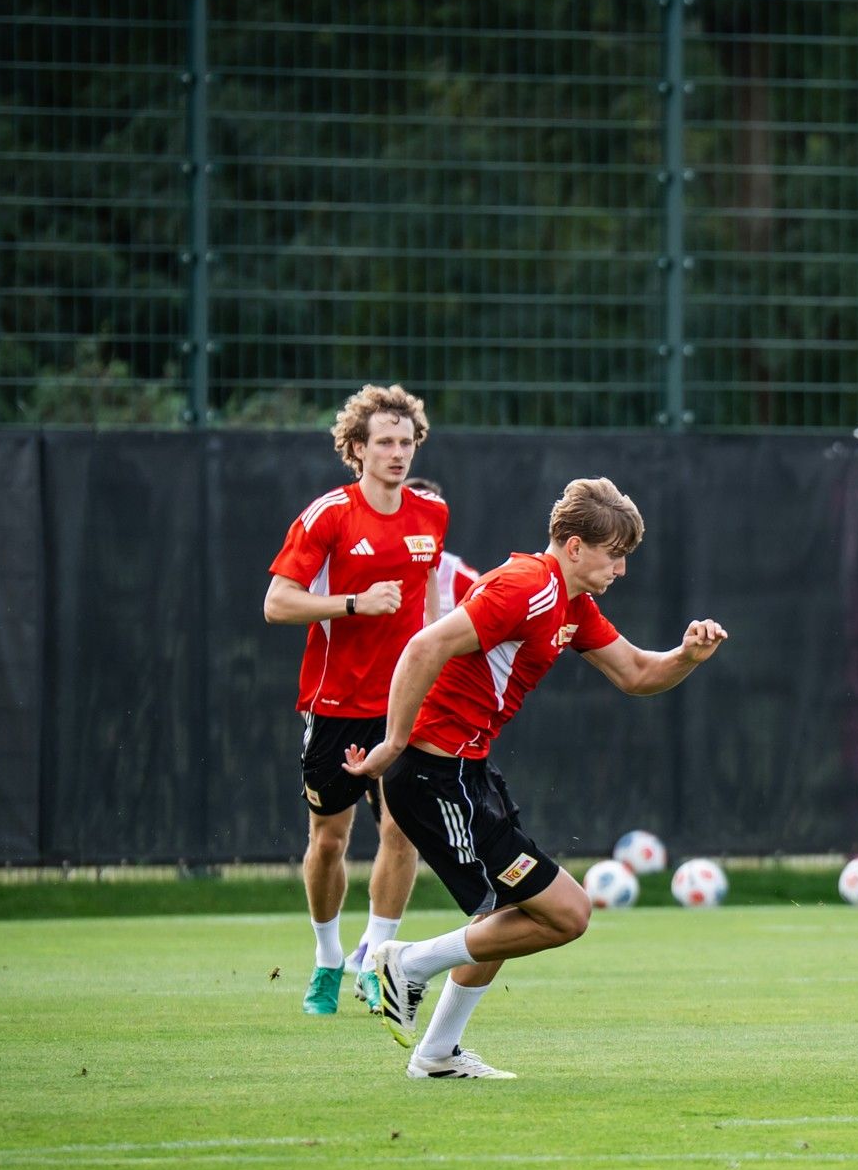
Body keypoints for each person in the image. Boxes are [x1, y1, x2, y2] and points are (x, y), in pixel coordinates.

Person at [344, 478, 726, 1078]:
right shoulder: (526, 588)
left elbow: (634, 673)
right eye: (614, 554)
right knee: (565, 913)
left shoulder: (570, 602)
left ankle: (438, 1051)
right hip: (435, 777)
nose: (622, 569)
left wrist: (686, 657)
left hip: (469, 774)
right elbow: (423, 647)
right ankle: (407, 963)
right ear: (575, 547)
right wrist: (393, 744)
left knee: (505, 916)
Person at [263, 386, 446, 1017]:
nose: (397, 453)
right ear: (357, 449)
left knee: (402, 832)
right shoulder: (328, 517)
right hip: (337, 706)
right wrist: (354, 604)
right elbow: (277, 603)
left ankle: (376, 961)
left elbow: (430, 610)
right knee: (329, 841)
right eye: (384, 442)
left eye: (406, 442)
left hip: (406, 706)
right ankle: (326, 959)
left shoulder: (431, 516)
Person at [403, 477, 481, 622]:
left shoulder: (458, 578)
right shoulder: (371, 563)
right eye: (410, 513)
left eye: (426, 515)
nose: (418, 523)